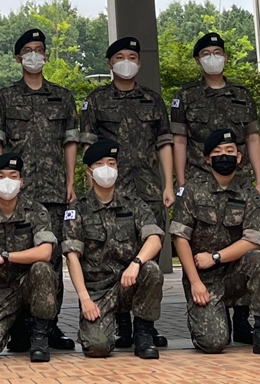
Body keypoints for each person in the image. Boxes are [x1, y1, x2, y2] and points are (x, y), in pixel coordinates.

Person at [77, 35, 173, 348]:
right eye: (120, 57)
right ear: (110, 63)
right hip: (109, 190)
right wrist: (91, 182)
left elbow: (164, 143)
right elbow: (89, 146)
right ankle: (120, 323)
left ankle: (145, 323)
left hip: (147, 189)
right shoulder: (96, 100)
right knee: (110, 252)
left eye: (132, 56)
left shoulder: (153, 99)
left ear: (139, 62)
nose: (126, 62)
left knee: (147, 259)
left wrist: (169, 183)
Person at [171, 31, 260, 343]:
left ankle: (243, 318)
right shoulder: (186, 97)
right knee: (205, 239)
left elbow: (252, 138)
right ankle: (210, 304)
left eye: (218, 51)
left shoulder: (242, 94)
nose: (214, 56)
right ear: (198, 59)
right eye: (207, 52)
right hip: (200, 181)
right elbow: (180, 140)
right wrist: (181, 183)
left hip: (239, 180)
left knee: (243, 246)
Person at [0, 27, 78, 351]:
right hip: (16, 193)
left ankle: (47, 325)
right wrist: (1, 183)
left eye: (40, 48)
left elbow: (70, 144)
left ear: (47, 55)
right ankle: (20, 328)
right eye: (28, 50)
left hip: (53, 191)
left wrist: (70, 182)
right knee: (14, 258)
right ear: (18, 57)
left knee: (50, 260)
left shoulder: (63, 97)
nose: (34, 54)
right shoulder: (5, 97)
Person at [170, 130, 260, 357]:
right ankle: (221, 318)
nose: (224, 156)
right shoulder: (192, 191)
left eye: (230, 151)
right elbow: (180, 237)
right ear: (207, 159)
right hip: (204, 279)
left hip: (234, 272)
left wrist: (215, 257)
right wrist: (194, 282)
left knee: (258, 261)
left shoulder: (248, 193)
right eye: (217, 152)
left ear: (239, 157)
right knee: (213, 344)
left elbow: (253, 240)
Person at [62, 140, 165, 359]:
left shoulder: (133, 204)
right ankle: (114, 326)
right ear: (89, 171)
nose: (106, 169)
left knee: (152, 270)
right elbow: (72, 257)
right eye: (99, 164)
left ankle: (143, 334)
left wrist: (136, 264)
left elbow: (155, 239)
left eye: (111, 163)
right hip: (98, 291)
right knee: (97, 348)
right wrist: (84, 299)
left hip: (129, 283)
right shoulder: (78, 209)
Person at [0, 153, 62, 362]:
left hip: (30, 285)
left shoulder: (36, 212)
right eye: (0, 177)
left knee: (42, 269)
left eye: (13, 176)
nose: (7, 181)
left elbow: (45, 252)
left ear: (21, 181)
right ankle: (17, 328)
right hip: (0, 292)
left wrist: (6, 257)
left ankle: (39, 336)